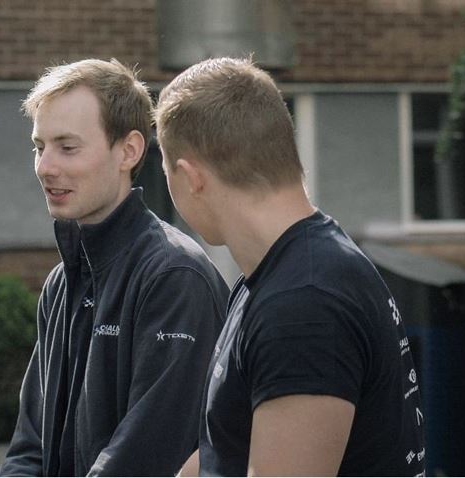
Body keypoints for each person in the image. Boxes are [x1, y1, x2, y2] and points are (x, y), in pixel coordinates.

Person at [154, 57, 426, 476]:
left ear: (191, 177)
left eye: (164, 170)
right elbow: (224, 450)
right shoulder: (277, 278)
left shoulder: (303, 305)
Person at [0, 59, 229, 477]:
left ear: (129, 151)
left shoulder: (174, 277)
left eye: (67, 147)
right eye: (39, 146)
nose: (45, 167)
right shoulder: (61, 281)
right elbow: (31, 446)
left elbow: (145, 457)